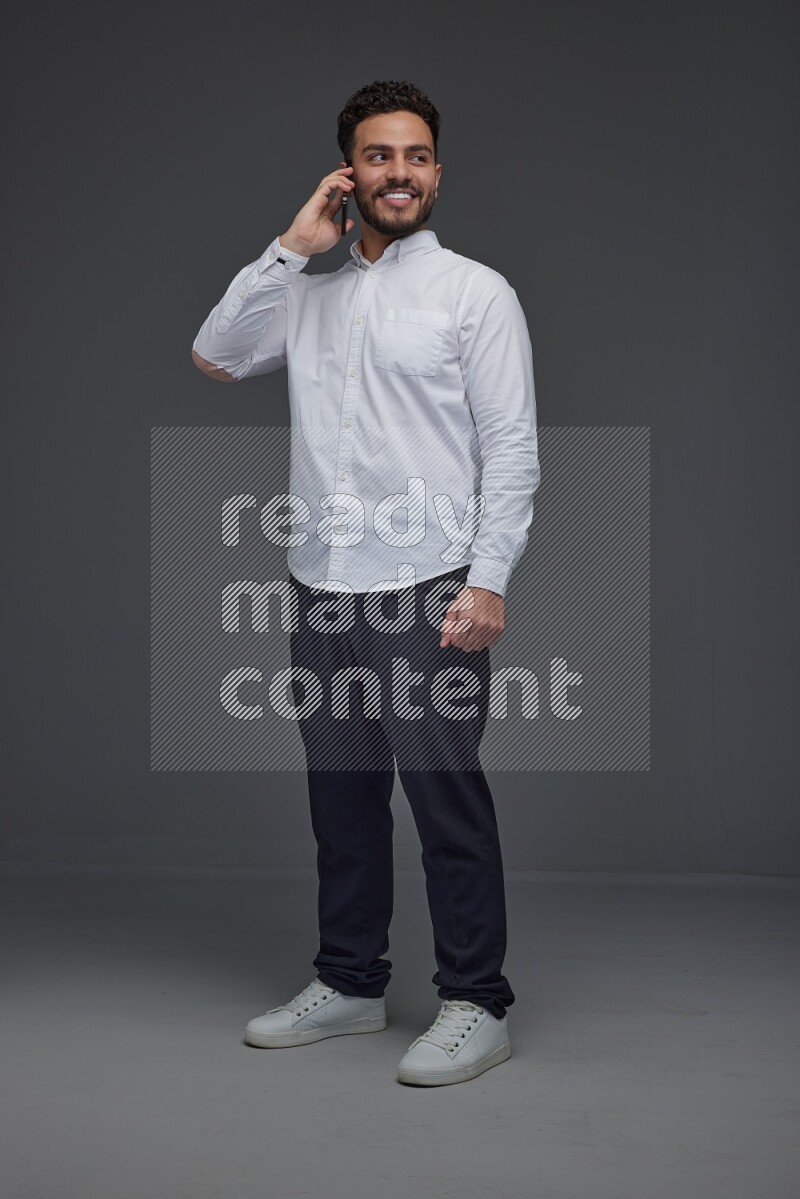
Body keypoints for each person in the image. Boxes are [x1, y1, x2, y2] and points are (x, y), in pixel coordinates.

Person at [191, 79, 540, 1087]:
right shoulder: (306, 289)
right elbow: (215, 355)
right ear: (349, 170)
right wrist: (290, 246)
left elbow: (509, 450)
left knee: (444, 800)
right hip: (319, 583)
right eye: (379, 155)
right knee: (340, 799)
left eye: (416, 155)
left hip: (431, 585)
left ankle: (476, 1001)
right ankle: (348, 982)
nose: (399, 172)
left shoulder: (474, 293)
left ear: (436, 170)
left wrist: (487, 580)